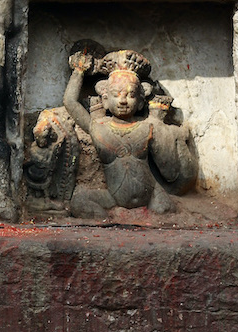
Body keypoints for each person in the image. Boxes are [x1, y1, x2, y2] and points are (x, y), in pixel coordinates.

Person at [62, 48, 196, 214]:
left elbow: (168, 168)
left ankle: (126, 217)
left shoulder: (147, 126)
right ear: (105, 100)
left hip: (152, 196)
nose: (123, 101)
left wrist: (170, 135)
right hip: (112, 197)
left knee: (166, 210)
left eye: (131, 95)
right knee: (79, 201)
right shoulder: (98, 126)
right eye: (116, 94)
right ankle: (114, 218)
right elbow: (70, 102)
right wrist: (78, 71)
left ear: (140, 102)